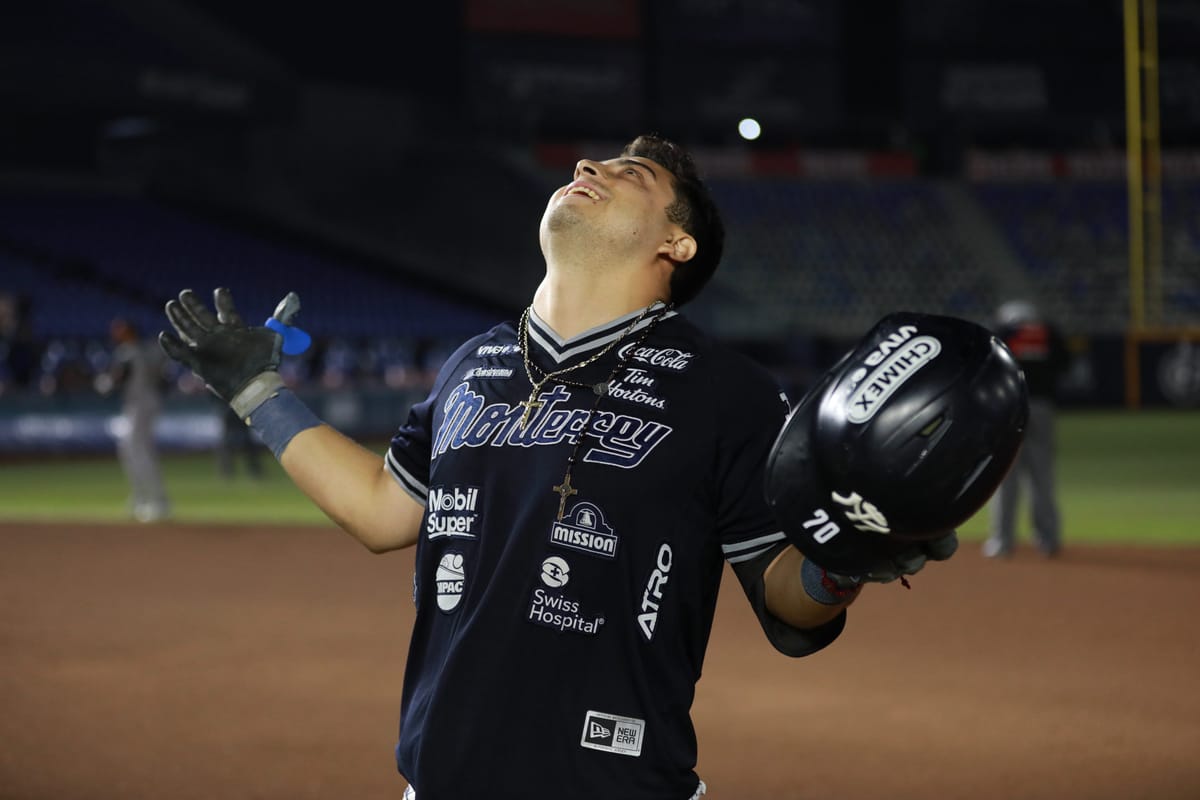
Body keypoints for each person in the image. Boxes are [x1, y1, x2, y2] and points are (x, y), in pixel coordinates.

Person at [158, 135, 999, 799]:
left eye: (631, 172)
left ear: (678, 240)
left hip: (615, 784)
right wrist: (256, 389)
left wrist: (840, 564)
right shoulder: (471, 364)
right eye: (593, 160)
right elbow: (384, 510)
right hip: (435, 782)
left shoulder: (726, 390)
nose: (589, 165)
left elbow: (786, 598)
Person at [984, 299, 1069, 558]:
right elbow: (1064, 363)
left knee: (1005, 477)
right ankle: (1048, 539)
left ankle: (1002, 541)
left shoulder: (1003, 332)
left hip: (1010, 406)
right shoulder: (1048, 331)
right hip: (1042, 406)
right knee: (1042, 476)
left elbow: (988, 366)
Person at [101, 317, 170, 522]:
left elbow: (117, 379)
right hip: (147, 402)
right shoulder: (149, 350)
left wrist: (103, 384)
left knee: (137, 450)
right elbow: (164, 377)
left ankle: (157, 502)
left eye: (120, 330)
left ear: (130, 332)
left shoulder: (128, 352)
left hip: (139, 404)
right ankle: (141, 498)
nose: (116, 334)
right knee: (130, 449)